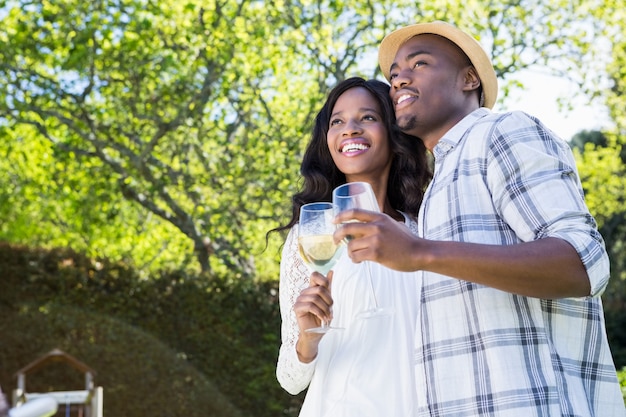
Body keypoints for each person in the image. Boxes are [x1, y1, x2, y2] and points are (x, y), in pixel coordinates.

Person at [334, 21, 626, 415]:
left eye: (418, 63)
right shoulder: (437, 188)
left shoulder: (502, 132)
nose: (399, 79)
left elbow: (584, 263)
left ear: (469, 78)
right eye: (394, 74)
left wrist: (420, 251)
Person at [272, 77, 431, 416]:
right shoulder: (310, 235)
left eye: (368, 117)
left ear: (393, 132)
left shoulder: (425, 230)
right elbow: (289, 378)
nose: (350, 129)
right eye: (337, 121)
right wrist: (308, 338)